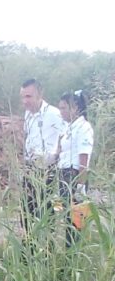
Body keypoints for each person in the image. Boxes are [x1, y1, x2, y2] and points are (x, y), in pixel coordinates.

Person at [18, 78, 65, 236]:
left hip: (48, 171)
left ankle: (48, 251)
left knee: (49, 211)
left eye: (29, 96)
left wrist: (56, 155)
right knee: (26, 212)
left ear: (40, 95)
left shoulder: (54, 114)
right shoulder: (28, 115)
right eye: (23, 97)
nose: (25, 101)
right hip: (30, 169)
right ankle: (28, 250)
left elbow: (64, 137)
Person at [55, 90, 94, 246]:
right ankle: (66, 259)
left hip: (75, 176)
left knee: (77, 224)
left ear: (75, 107)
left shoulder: (84, 127)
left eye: (64, 108)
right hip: (63, 175)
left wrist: (80, 186)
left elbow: (83, 158)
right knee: (65, 219)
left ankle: (75, 260)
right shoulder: (68, 127)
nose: (61, 112)